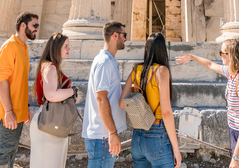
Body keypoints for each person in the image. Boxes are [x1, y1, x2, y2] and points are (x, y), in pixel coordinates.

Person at [177, 39, 239, 168]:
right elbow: (211, 64)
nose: (220, 55)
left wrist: (236, 157)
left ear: (231, 55)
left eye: (222, 52)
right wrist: (191, 57)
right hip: (236, 133)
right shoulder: (232, 73)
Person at [0, 12, 39, 168]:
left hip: (15, 114)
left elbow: (18, 82)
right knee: (2, 158)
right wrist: (8, 111)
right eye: (34, 25)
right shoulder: (10, 46)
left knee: (8, 157)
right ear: (23, 25)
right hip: (4, 115)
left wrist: (24, 107)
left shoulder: (23, 48)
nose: (37, 29)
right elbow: (2, 80)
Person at [120, 33, 181, 168]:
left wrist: (140, 104)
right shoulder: (161, 71)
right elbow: (166, 112)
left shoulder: (136, 70)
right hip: (156, 134)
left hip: (137, 136)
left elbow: (122, 103)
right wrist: (176, 148)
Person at [83, 21, 128, 168]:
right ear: (115, 35)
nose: (126, 39)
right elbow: (101, 98)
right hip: (102, 137)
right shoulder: (104, 62)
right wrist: (112, 133)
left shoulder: (109, 61)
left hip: (103, 136)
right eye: (124, 35)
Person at [30, 32, 76, 168]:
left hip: (51, 121)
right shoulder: (50, 67)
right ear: (57, 47)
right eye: (66, 46)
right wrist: (72, 91)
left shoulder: (49, 66)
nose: (69, 49)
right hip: (48, 122)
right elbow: (51, 95)